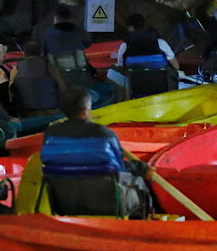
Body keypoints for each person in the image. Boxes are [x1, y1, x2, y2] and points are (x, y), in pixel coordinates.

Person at [40, 85, 150, 217]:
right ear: (87, 109)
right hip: (105, 203)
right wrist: (141, 167)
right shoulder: (104, 134)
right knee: (140, 184)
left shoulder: (51, 134)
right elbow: (119, 167)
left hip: (63, 204)